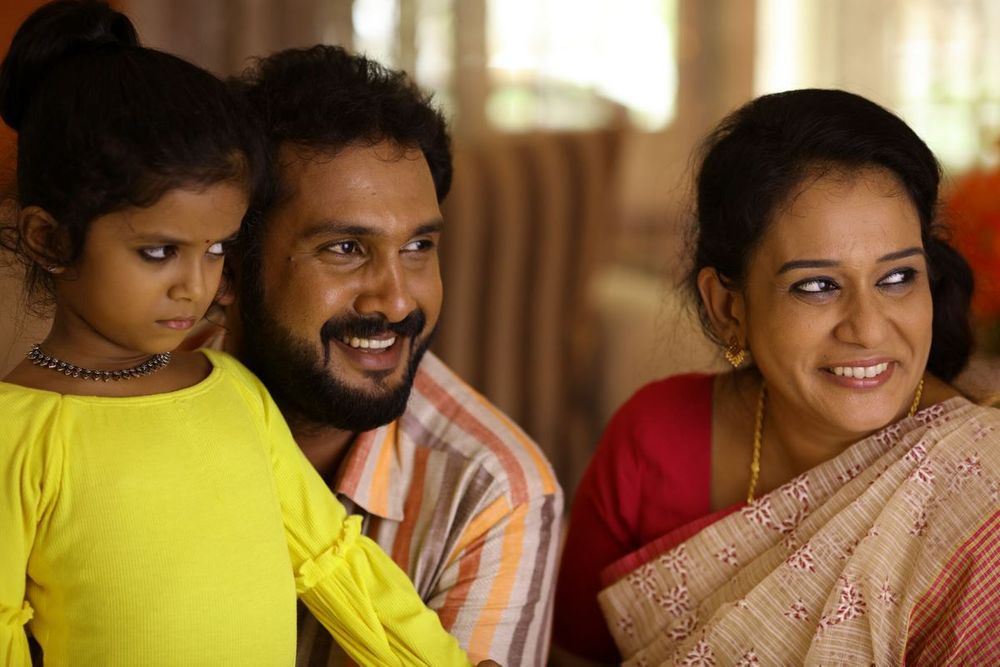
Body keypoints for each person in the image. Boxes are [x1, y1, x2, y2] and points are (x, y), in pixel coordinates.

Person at [0, 2, 475, 665]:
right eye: (160, 251)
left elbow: (335, 560)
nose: (197, 285)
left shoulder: (235, 392)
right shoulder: (18, 436)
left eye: (218, 248)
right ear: (49, 240)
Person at [553, 89, 1000, 665]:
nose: (868, 329)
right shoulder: (654, 440)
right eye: (816, 285)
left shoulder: (982, 492)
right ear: (727, 307)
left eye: (897, 278)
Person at [189, 46, 563, 666]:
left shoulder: (493, 493)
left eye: (418, 247)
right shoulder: (118, 413)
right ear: (226, 269)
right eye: (344, 247)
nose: (396, 301)